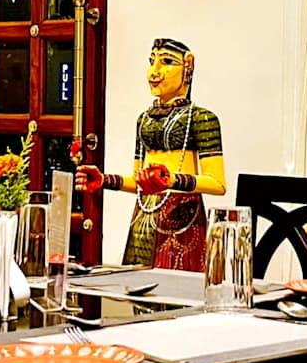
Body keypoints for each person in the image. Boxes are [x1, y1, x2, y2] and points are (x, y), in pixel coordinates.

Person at [75, 37, 225, 270]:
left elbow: (217, 183)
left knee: (177, 285)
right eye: (151, 61)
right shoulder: (143, 119)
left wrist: (171, 180)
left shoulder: (201, 119)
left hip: (181, 216)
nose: (154, 71)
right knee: (137, 283)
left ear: (188, 66)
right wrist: (105, 180)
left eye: (167, 62)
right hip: (144, 215)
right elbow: (140, 182)